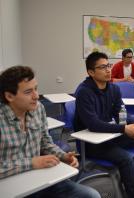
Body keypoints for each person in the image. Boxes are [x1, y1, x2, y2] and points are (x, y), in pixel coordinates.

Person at [0, 66, 100, 198]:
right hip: (10, 188)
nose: (36, 96)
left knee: (91, 195)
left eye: (36, 89)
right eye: (28, 92)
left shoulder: (38, 109)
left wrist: (63, 156)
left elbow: (45, 143)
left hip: (39, 179)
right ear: (9, 96)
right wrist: (31, 163)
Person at [74, 52, 134, 198]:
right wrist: (124, 129)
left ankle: (131, 175)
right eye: (103, 67)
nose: (108, 70)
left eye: (108, 65)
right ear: (91, 72)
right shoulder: (84, 92)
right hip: (91, 143)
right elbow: (93, 124)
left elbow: (120, 112)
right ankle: (132, 192)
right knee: (126, 158)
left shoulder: (113, 89)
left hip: (109, 135)